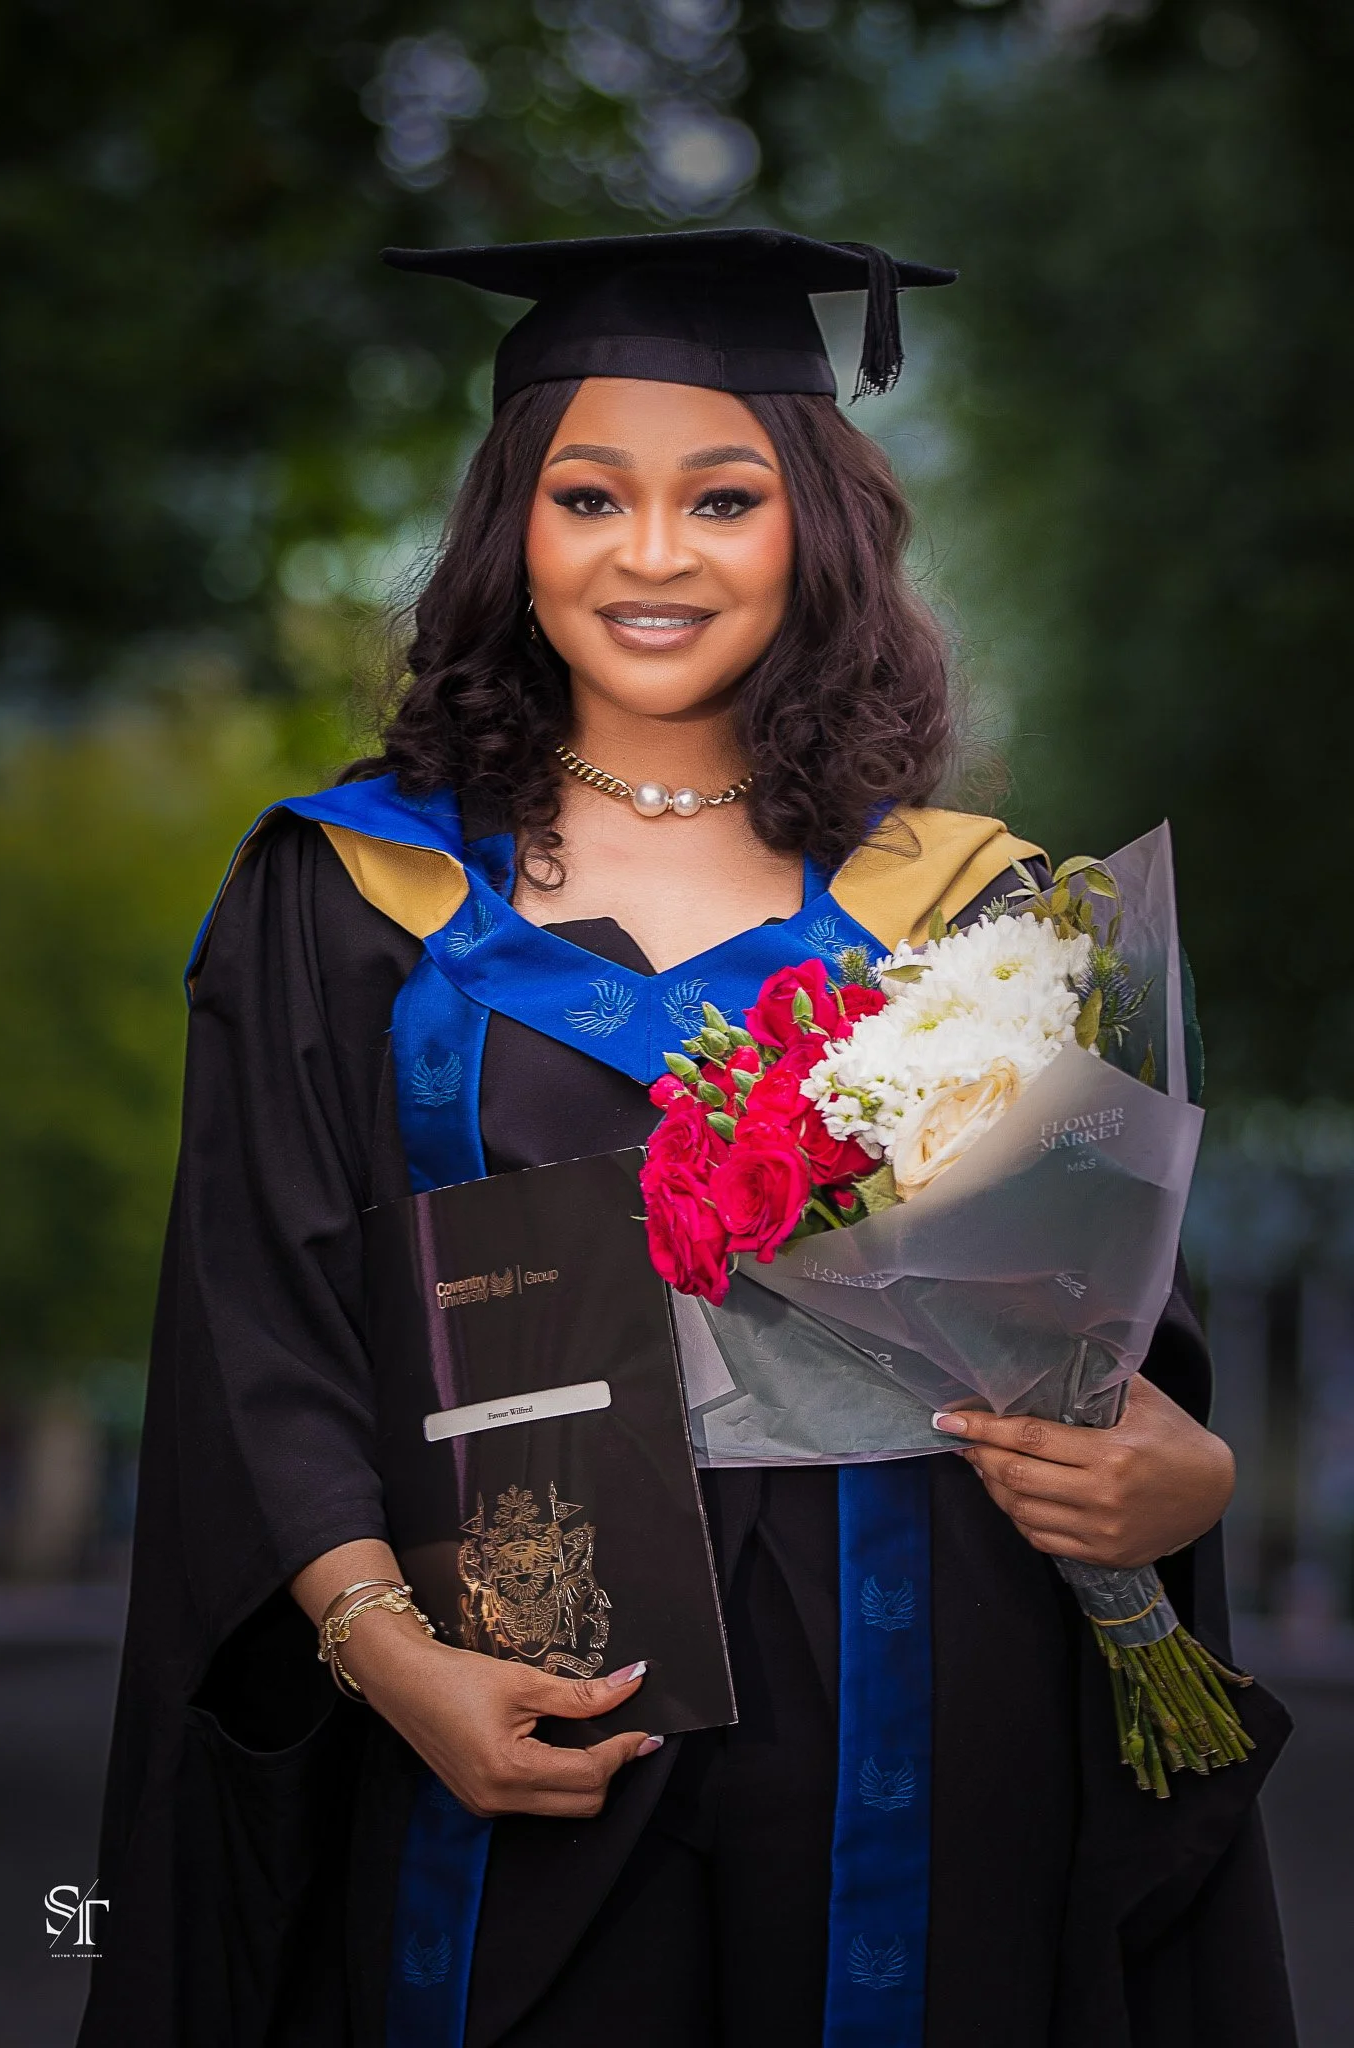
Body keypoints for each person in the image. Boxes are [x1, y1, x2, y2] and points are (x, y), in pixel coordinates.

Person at [79, 229, 1296, 2048]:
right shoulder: (347, 895)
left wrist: (1181, 1480)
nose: (653, 555)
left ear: (814, 528)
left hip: (928, 1688)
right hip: (522, 1676)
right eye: (591, 496)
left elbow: (1107, 1342)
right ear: (519, 530)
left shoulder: (978, 908)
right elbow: (262, 1329)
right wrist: (391, 1661)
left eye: (722, 498)